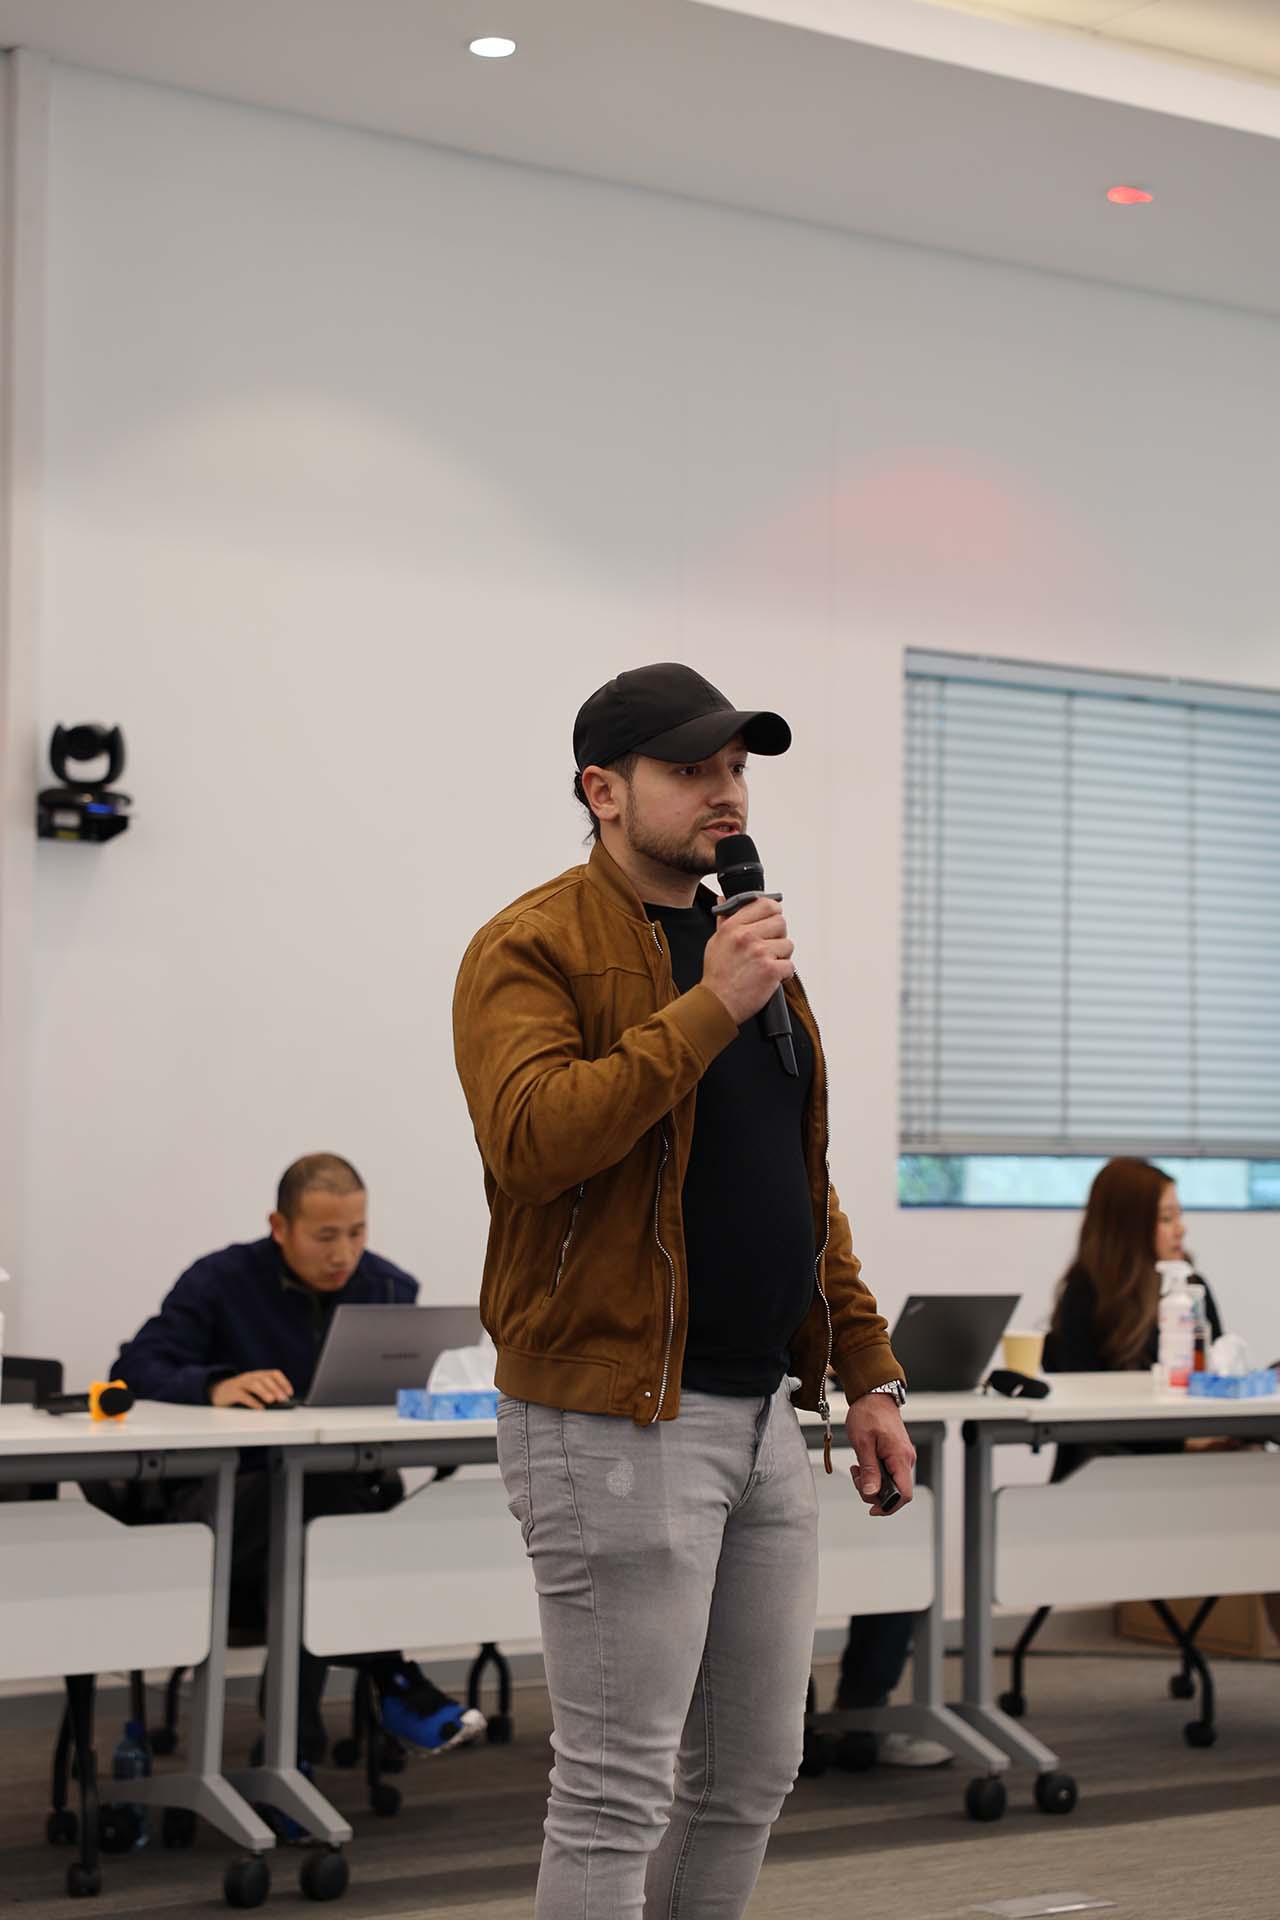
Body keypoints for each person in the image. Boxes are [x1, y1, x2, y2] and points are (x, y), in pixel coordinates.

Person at [453, 661, 914, 1919]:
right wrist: (710, 1005)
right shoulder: (531, 944)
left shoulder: (743, 945)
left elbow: (795, 1181)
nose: (726, 792)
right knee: (615, 1790)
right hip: (613, 1413)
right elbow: (534, 1140)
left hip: (763, 1413)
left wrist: (864, 1368)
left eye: (735, 768)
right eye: (689, 769)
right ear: (602, 791)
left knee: (751, 1774)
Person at [112, 1152, 486, 1763]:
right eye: (325, 1236)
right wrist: (213, 1385)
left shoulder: (388, 1288)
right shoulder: (220, 1281)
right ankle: (393, 1682)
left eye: (357, 1233)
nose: (344, 1253)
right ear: (279, 1227)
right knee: (321, 1511)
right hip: (228, 1508)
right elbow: (133, 1369)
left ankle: (294, 1750)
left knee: (320, 1525)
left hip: (330, 1507)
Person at [1043, 1156, 1280, 1642]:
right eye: (1166, 1217)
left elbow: (1213, 1379)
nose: (1181, 1228)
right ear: (1128, 1225)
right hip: (1118, 1476)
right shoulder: (1085, 1296)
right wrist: (1188, 1444)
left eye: (1179, 1214)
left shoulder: (1191, 1286)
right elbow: (1084, 1419)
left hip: (1200, 1466)